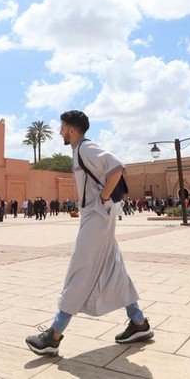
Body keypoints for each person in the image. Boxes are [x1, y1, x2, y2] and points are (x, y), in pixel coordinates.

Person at [25, 110, 151, 356]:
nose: (60, 131)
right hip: (96, 215)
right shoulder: (78, 151)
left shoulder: (85, 148)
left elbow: (116, 168)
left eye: (62, 127)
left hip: (96, 216)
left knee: (80, 269)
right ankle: (138, 322)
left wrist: (102, 199)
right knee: (113, 268)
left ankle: (54, 334)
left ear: (72, 129)